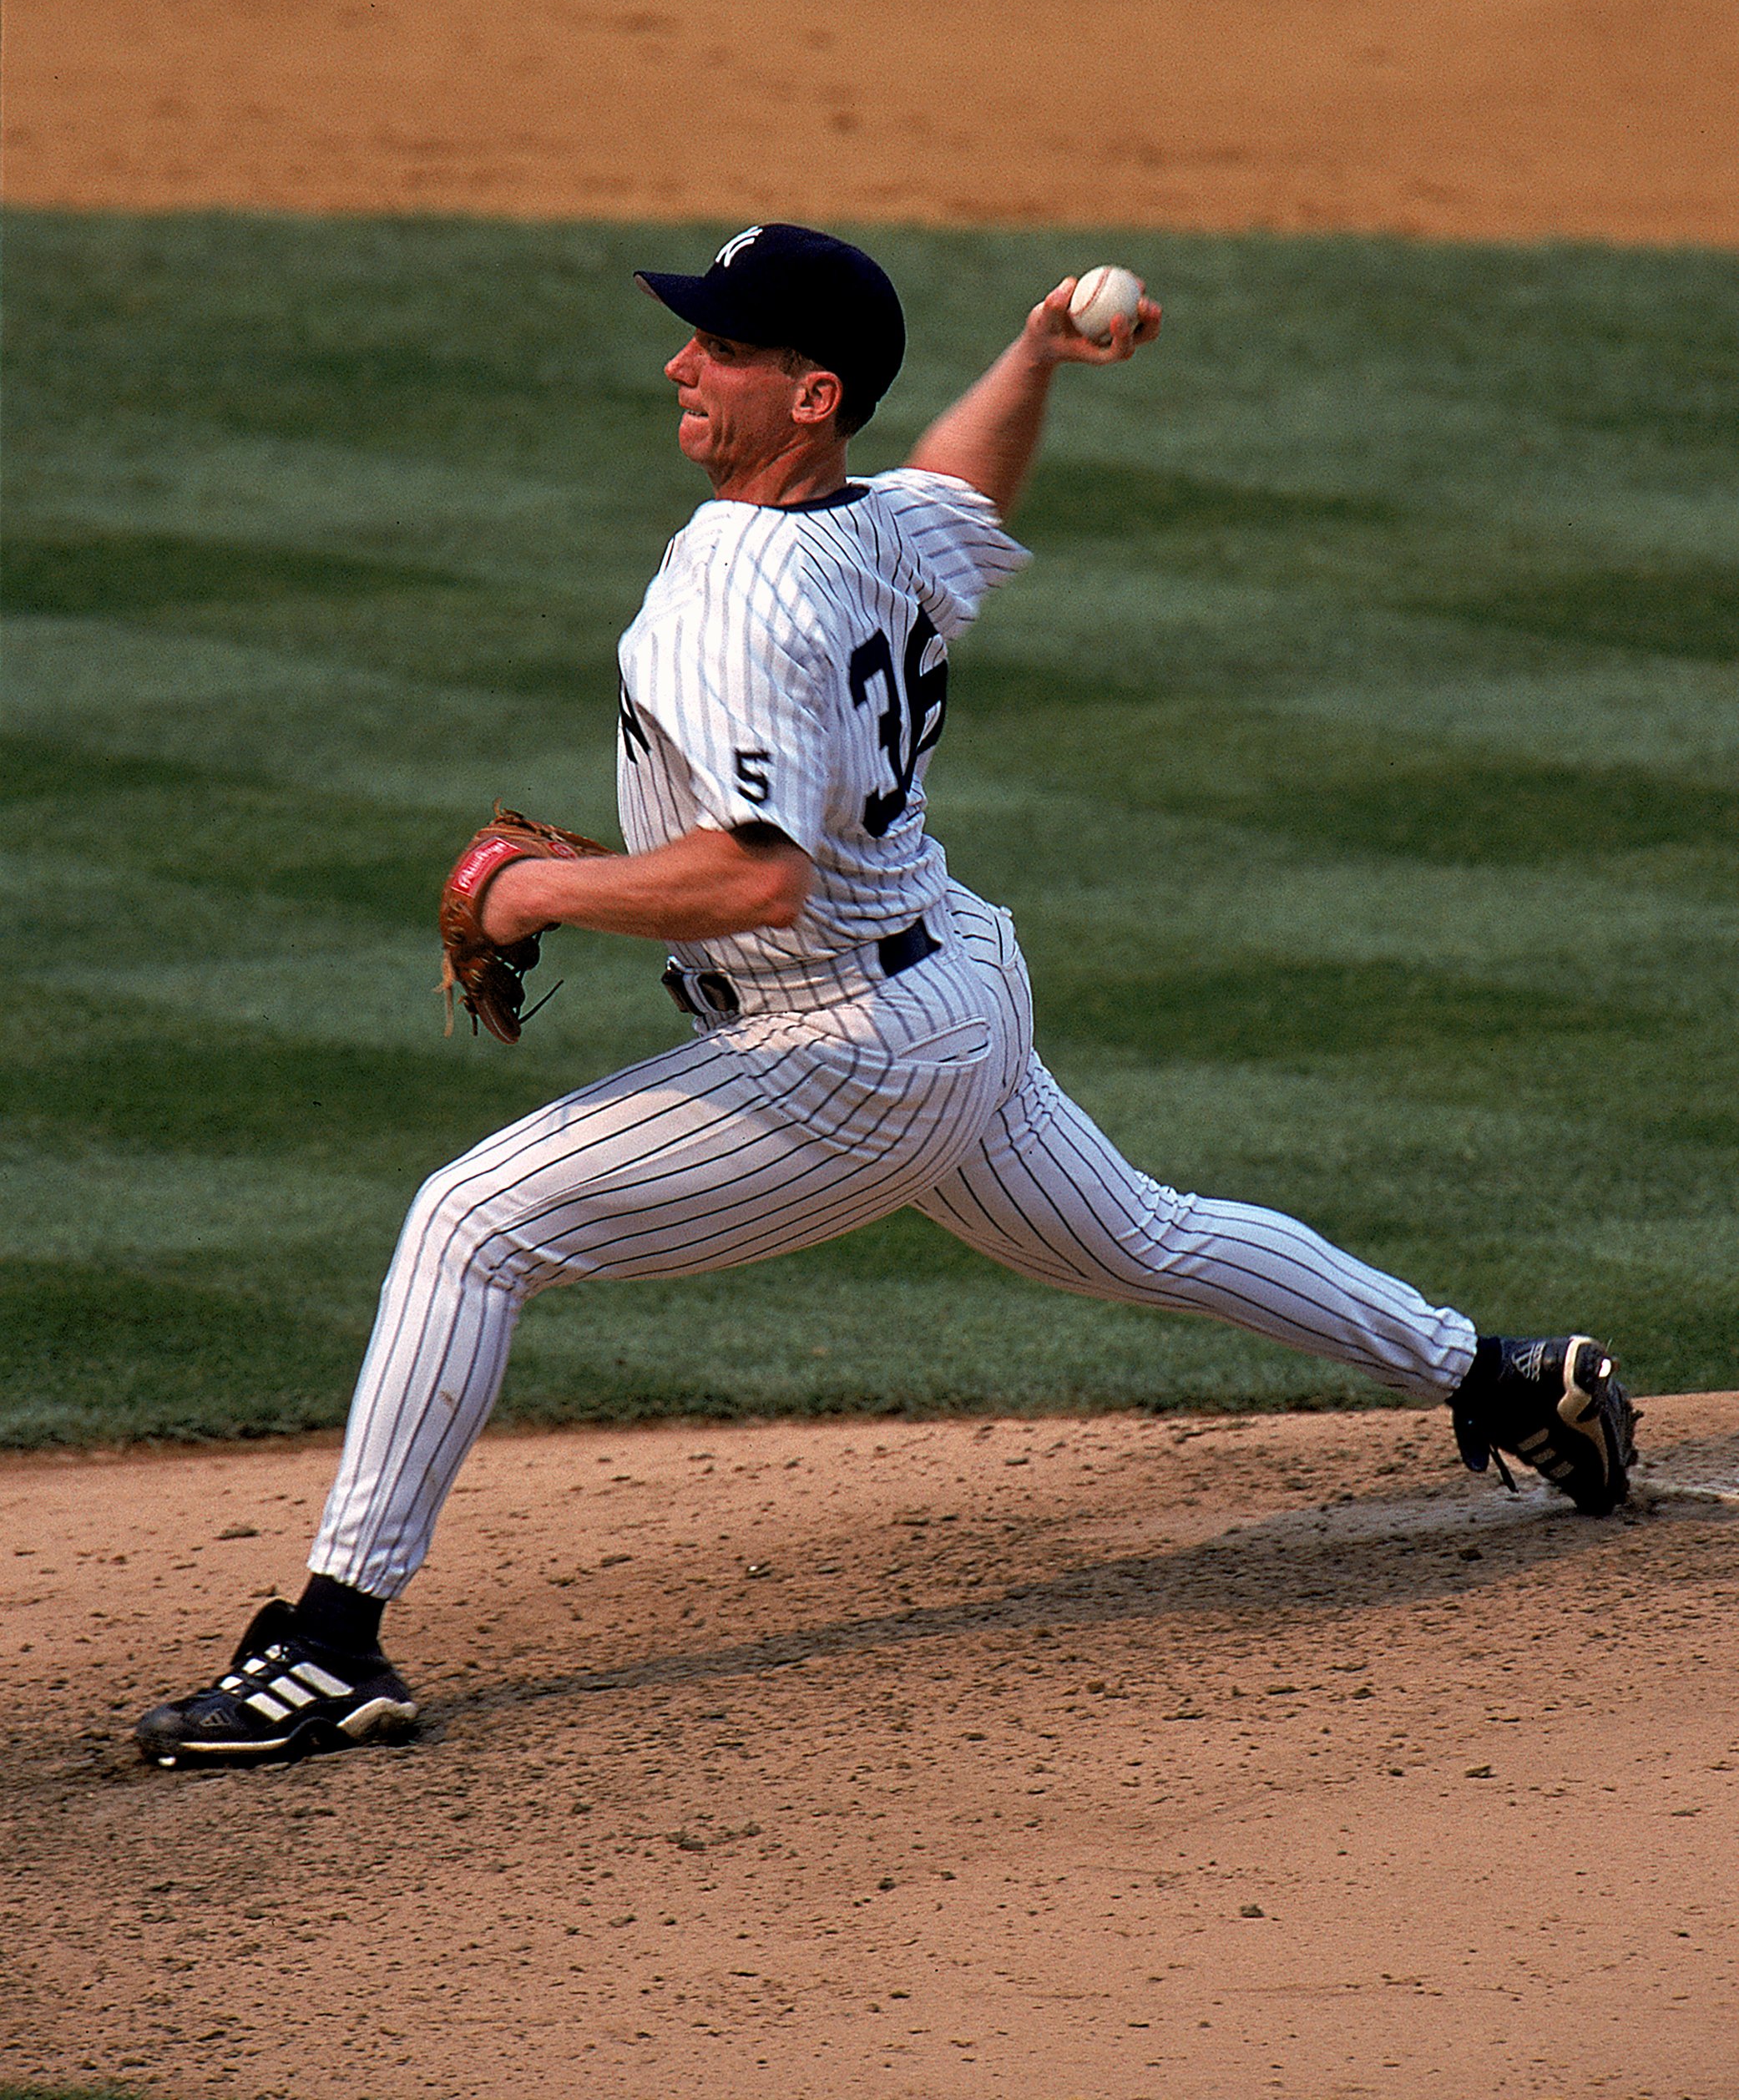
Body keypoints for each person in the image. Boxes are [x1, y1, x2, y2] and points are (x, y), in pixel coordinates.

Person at [134, 225, 1635, 1769]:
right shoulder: (869, 527)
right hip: (954, 998)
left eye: (719, 347)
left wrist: (528, 892)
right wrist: (1036, 358)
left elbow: (754, 880)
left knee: (471, 1223)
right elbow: (968, 490)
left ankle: (328, 1647)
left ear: (810, 392)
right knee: (1147, 1236)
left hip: (840, 1056)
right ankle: (1502, 1376)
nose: (681, 363)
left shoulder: (737, 590)